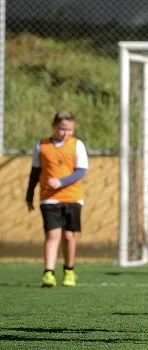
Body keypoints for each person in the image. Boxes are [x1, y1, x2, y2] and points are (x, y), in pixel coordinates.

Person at [25, 110, 89, 288]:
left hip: (72, 197)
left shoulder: (77, 145)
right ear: (54, 126)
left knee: (69, 236)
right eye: (62, 129)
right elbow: (35, 173)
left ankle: (69, 270)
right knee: (52, 234)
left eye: (69, 130)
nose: (65, 133)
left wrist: (60, 182)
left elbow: (81, 171)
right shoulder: (41, 145)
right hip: (48, 198)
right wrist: (29, 195)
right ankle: (48, 273)